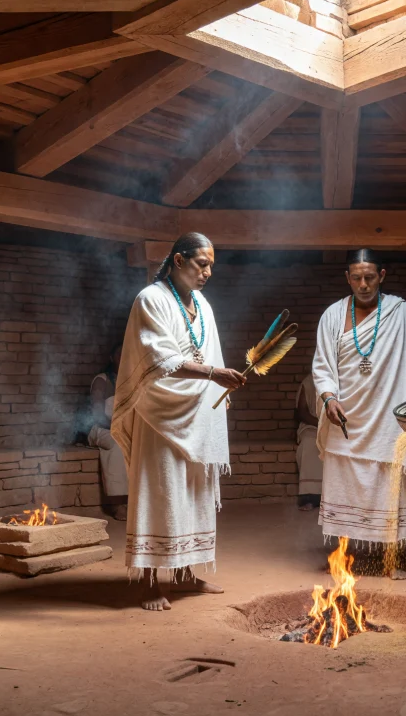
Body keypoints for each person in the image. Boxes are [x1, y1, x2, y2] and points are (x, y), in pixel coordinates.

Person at [111, 233, 246, 611]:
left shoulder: (202, 304)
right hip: (159, 414)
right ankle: (151, 580)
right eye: (202, 264)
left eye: (211, 267)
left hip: (197, 414)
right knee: (160, 492)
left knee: (193, 494)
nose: (207, 273)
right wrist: (213, 373)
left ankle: (186, 574)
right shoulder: (150, 299)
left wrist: (218, 386)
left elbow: (209, 349)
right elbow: (156, 358)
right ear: (178, 261)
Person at [313, 249, 406, 579]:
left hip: (388, 419)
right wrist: (328, 399)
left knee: (389, 485)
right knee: (344, 484)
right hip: (346, 417)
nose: (363, 284)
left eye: (369, 277)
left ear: (382, 275)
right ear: (347, 278)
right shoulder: (333, 315)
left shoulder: (401, 313)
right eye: (356, 277)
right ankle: (343, 555)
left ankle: (391, 557)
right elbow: (323, 365)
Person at [88, 344, 128, 522]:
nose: (123, 357)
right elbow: (97, 415)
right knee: (117, 442)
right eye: (119, 354)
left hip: (124, 430)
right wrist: (118, 427)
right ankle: (117, 503)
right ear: (111, 358)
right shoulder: (101, 380)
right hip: (100, 429)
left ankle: (136, 502)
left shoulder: (130, 382)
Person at [295, 374, 322, 511]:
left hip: (335, 428)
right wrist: (320, 423)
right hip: (312, 426)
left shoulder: (342, 380)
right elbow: (302, 412)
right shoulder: (309, 381)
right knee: (309, 443)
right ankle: (309, 498)